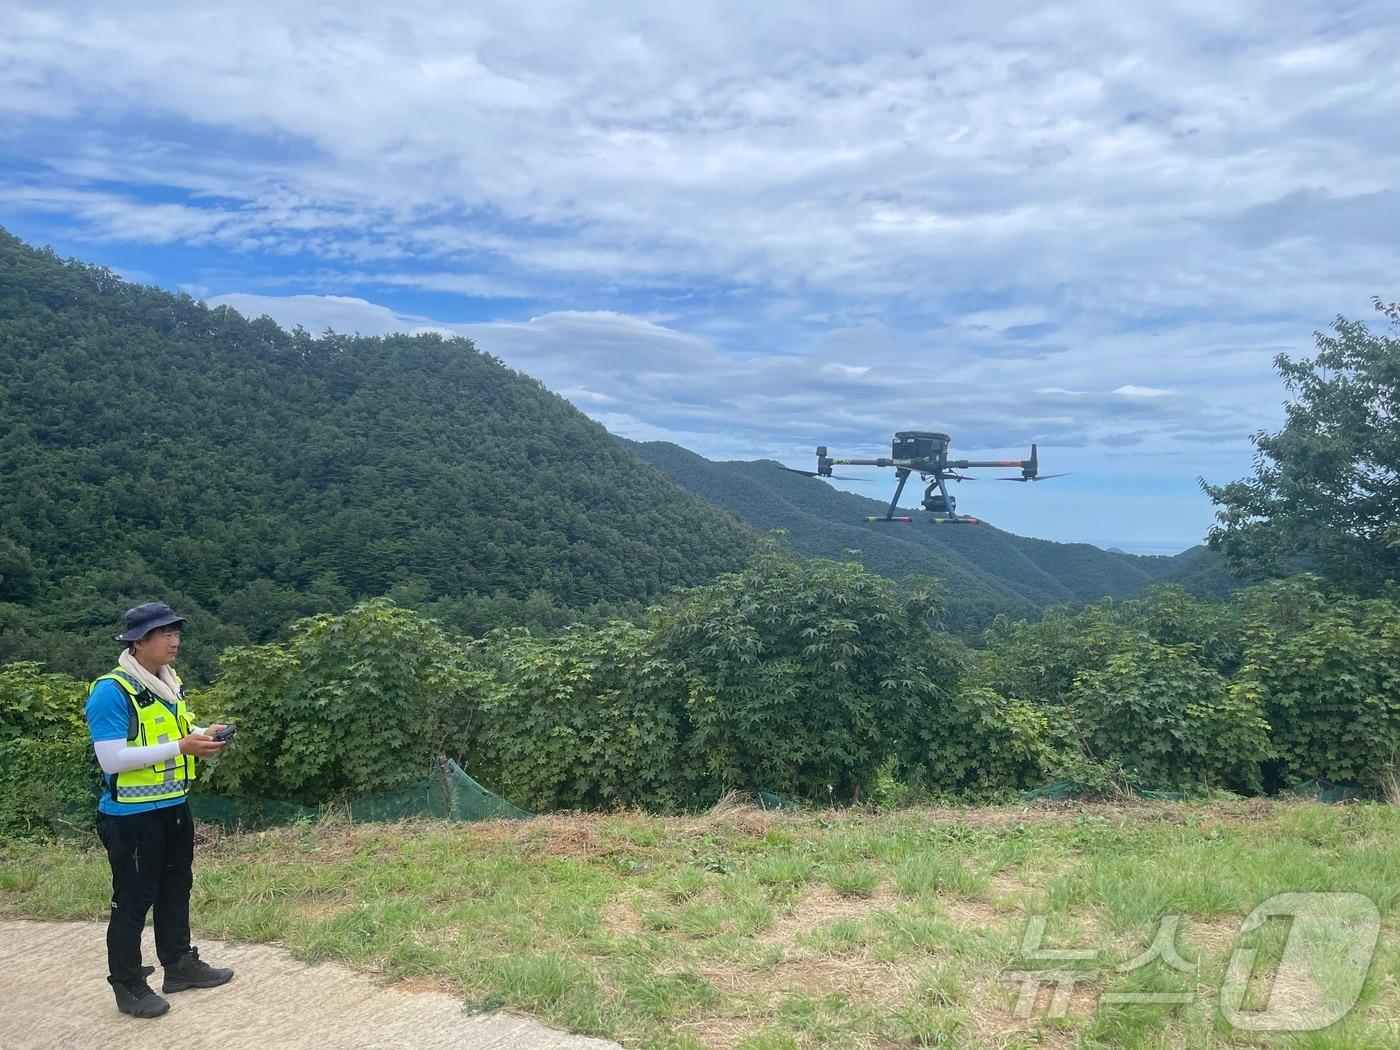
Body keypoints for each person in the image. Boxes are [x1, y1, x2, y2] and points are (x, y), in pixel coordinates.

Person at [85, 601, 236, 1018]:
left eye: (175, 631)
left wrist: (204, 735)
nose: (175, 640)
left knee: (176, 888)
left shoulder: (166, 683)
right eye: (164, 633)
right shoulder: (111, 691)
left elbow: (178, 732)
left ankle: (180, 964)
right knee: (133, 901)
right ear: (139, 642)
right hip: (131, 817)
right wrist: (182, 747)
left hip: (173, 806)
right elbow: (111, 759)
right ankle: (129, 984)